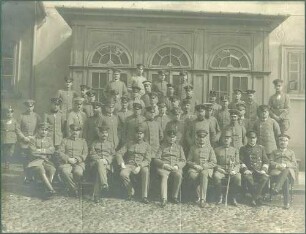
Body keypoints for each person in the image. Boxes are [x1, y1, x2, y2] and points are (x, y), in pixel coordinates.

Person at [116, 124, 152, 203]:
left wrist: (140, 166)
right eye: (137, 133)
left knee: (146, 171)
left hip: (141, 165)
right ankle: (131, 192)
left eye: (141, 133)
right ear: (135, 134)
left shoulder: (147, 146)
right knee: (123, 174)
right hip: (129, 164)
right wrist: (122, 163)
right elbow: (119, 153)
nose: (139, 135)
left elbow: (148, 159)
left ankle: (144, 196)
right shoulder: (129, 143)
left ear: (143, 135)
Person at [155, 127, 186, 207]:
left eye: (173, 137)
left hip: (175, 167)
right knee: (164, 176)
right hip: (164, 167)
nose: (171, 139)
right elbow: (156, 159)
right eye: (170, 137)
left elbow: (183, 160)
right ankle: (164, 199)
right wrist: (164, 165)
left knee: (179, 175)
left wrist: (177, 166)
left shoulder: (179, 147)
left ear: (176, 138)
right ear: (167, 137)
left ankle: (174, 196)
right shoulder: (162, 146)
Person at [187, 129, 217, 208]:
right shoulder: (193, 148)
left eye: (203, 137)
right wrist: (194, 165)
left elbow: (214, 162)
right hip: (195, 169)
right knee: (192, 175)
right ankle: (198, 196)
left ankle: (202, 199)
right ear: (197, 138)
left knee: (203, 174)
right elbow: (188, 161)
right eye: (200, 137)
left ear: (206, 138)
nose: (201, 139)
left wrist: (204, 166)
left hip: (206, 169)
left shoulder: (210, 148)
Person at [56, 123, 88, 197]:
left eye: (77, 131)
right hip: (67, 162)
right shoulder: (65, 140)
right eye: (73, 130)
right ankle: (75, 189)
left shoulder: (83, 141)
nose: (75, 132)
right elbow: (60, 152)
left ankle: (71, 188)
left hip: (79, 163)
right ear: (70, 131)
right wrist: (68, 159)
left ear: (79, 132)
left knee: (78, 173)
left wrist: (77, 159)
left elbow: (85, 154)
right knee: (65, 172)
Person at [239, 131, 269, 206]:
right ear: (247, 139)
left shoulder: (261, 148)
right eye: (250, 138)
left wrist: (263, 170)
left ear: (256, 138)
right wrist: (245, 169)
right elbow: (240, 161)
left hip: (259, 171)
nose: (252, 140)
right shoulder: (243, 148)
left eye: (254, 138)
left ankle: (254, 198)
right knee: (249, 179)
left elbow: (266, 161)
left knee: (265, 178)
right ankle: (257, 198)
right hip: (249, 171)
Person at [88, 124, 115, 203]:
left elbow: (113, 155)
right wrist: (100, 160)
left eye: (106, 133)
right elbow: (92, 154)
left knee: (99, 173)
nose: (104, 134)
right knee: (100, 164)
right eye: (102, 133)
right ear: (99, 133)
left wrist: (107, 160)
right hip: (95, 164)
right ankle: (104, 184)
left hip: (107, 165)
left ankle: (97, 195)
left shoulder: (110, 144)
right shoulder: (94, 143)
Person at [28, 122, 56, 198]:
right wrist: (46, 151)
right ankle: (51, 190)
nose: (44, 132)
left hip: (46, 161)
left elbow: (52, 150)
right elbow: (33, 152)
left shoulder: (49, 139)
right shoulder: (33, 139)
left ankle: (46, 189)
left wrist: (40, 150)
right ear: (38, 130)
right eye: (42, 129)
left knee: (52, 169)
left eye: (46, 130)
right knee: (41, 169)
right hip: (34, 162)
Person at [213, 130, 241, 206]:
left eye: (228, 138)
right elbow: (213, 163)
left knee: (238, 177)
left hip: (231, 170)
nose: (226, 140)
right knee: (216, 176)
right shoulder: (216, 150)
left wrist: (234, 171)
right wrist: (218, 169)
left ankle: (233, 197)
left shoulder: (235, 150)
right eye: (224, 138)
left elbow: (238, 163)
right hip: (220, 170)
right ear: (222, 139)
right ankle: (219, 197)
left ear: (231, 139)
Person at [270, 134, 297, 209]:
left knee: (286, 170)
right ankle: (286, 203)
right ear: (278, 142)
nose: (283, 142)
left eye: (285, 140)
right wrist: (278, 165)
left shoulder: (291, 152)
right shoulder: (274, 152)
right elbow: (271, 162)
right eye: (281, 140)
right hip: (276, 173)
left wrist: (286, 165)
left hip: (288, 173)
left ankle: (276, 189)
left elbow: (294, 164)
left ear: (288, 142)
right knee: (286, 180)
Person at [17, 99, 41, 183]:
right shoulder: (21, 116)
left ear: (33, 107)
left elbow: (39, 129)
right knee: (25, 159)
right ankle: (27, 176)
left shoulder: (37, 116)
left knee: (33, 159)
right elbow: (17, 128)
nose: (29, 108)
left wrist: (34, 137)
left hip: (33, 141)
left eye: (31, 106)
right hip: (24, 141)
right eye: (28, 106)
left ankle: (33, 176)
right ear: (26, 107)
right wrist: (23, 137)